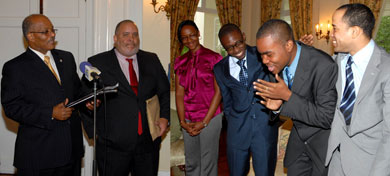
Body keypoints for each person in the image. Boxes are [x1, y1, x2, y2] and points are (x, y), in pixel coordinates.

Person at [80, 20, 170, 176]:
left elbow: (164, 92)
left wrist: (164, 118)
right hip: (112, 145)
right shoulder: (97, 62)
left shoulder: (151, 60)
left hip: (147, 143)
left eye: (135, 35)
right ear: (115, 38)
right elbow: (84, 100)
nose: (131, 39)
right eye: (126, 35)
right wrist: (94, 132)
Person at [1, 14, 84, 176]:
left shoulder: (66, 58)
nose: (52, 35)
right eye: (45, 32)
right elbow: (12, 107)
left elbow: (77, 91)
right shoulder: (15, 67)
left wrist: (87, 103)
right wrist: (50, 113)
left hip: (71, 151)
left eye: (53, 30)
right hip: (39, 154)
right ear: (30, 36)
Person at [253, 19, 338, 176]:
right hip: (297, 147)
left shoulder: (323, 65)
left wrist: (287, 96)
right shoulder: (276, 66)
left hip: (322, 148)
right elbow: (284, 107)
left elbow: (326, 117)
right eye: (261, 55)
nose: (264, 61)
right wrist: (277, 107)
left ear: (289, 46)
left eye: (268, 54)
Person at [325, 4, 390, 176]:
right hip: (336, 159)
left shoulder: (386, 68)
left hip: (368, 164)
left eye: (335, 28)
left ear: (354, 31)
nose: (330, 34)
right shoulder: (339, 60)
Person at [213, 23, 278, 176]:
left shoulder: (262, 54)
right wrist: (234, 121)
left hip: (264, 128)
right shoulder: (219, 69)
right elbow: (227, 101)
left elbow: (284, 66)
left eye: (238, 43)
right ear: (223, 47)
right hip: (237, 131)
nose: (236, 50)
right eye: (229, 48)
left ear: (243, 36)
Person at [174, 20, 223, 176]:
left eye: (192, 35)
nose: (189, 40)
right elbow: (179, 93)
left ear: (198, 34)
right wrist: (182, 122)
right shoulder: (180, 62)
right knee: (191, 162)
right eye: (185, 38)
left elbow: (219, 92)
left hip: (211, 116)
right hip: (188, 117)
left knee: (208, 162)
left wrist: (205, 122)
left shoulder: (214, 58)